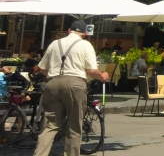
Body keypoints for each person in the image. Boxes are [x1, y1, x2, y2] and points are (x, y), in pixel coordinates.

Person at [34, 20, 108, 156]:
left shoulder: (54, 44)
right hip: (75, 84)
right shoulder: (85, 45)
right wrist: (102, 75)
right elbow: (91, 70)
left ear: (69, 30)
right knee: (74, 126)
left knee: (49, 126)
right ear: (84, 33)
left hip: (53, 83)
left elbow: (42, 69)